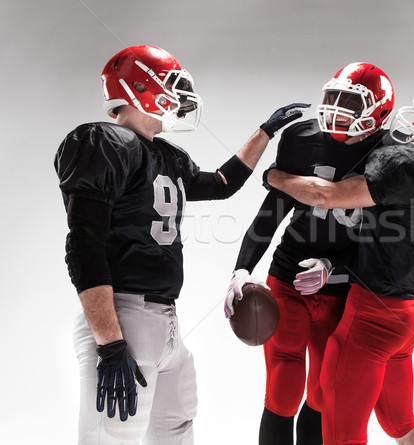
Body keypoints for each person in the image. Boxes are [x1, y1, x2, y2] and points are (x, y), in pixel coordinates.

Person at [54, 44, 308, 445]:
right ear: (140, 87)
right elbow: (84, 247)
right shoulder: (103, 142)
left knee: (176, 433)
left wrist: (265, 132)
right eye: (170, 85)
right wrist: (110, 343)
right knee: (112, 438)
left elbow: (223, 184)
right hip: (123, 315)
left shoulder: (165, 155)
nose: (179, 97)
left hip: (165, 322)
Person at [265, 83, 414, 445]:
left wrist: (273, 177)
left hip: (370, 318)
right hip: (410, 314)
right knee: (401, 424)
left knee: (344, 435)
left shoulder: (409, 167)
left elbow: (324, 196)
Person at [224, 62, 395, 445]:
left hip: (344, 290)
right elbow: (272, 212)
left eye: (350, 102)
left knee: (321, 394)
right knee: (283, 390)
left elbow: (385, 242)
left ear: (379, 111)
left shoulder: (392, 156)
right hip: (288, 277)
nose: (335, 108)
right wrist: (242, 269)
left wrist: (335, 264)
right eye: (332, 96)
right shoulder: (302, 137)